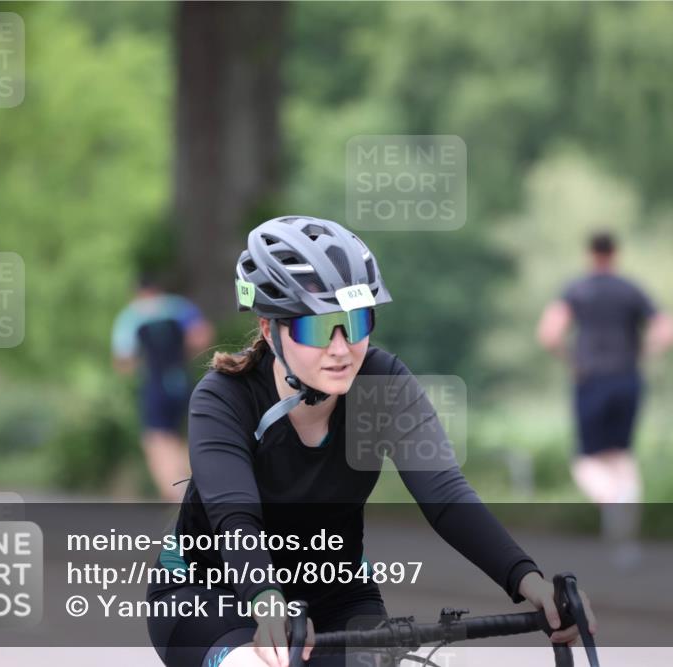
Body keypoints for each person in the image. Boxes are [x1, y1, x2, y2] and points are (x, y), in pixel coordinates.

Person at [145, 215, 595, 667]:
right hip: (212, 592)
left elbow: (444, 495)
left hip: (337, 594)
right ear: (269, 330)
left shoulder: (382, 383)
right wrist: (266, 603)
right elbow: (234, 519)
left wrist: (530, 583)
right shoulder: (225, 396)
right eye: (318, 328)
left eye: (356, 323)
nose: (341, 349)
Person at [536, 231, 673, 563]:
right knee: (621, 458)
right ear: (615, 254)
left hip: (592, 380)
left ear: (590, 255)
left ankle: (611, 500)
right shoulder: (631, 290)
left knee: (586, 462)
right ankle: (624, 545)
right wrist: (645, 351)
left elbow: (548, 334)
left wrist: (571, 360)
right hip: (628, 379)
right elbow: (668, 329)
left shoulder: (577, 289)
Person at [112, 273, 213, 501]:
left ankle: (175, 493)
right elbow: (202, 336)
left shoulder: (131, 316)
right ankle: (195, 487)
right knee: (178, 437)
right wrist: (185, 354)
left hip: (155, 383)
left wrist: (139, 365)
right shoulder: (178, 307)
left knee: (156, 440)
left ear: (137, 292)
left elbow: (123, 360)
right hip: (181, 378)